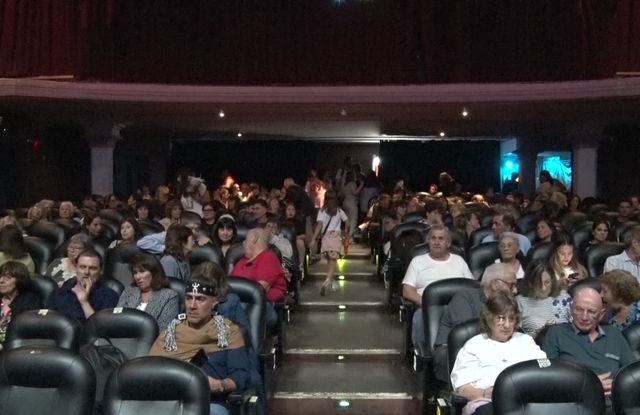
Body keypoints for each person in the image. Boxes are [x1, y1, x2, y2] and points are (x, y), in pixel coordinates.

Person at [148, 273, 251, 415]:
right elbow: (151, 372)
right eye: (188, 298)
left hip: (210, 402)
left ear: (214, 302)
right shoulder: (170, 334)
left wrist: (220, 385)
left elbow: (240, 375)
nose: (192, 306)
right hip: (169, 402)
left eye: (200, 299)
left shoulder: (228, 332)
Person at [451, 292, 547, 415]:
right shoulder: (474, 346)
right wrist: (484, 393)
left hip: (527, 400)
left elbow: (544, 367)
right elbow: (462, 387)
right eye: (501, 318)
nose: (507, 325)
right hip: (488, 402)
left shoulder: (526, 341)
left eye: (511, 319)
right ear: (489, 318)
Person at [431, 263, 518, 383]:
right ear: (495, 284)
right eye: (511, 285)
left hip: (492, 349)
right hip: (453, 350)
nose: (515, 290)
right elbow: (465, 335)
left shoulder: (508, 304)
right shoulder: (465, 297)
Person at [542, 287, 635, 398]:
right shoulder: (556, 333)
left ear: (601, 314)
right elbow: (547, 375)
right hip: (576, 399)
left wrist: (618, 386)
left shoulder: (613, 334)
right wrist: (589, 384)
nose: (584, 317)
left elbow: (633, 373)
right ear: (571, 309)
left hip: (615, 399)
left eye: (591, 311)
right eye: (579, 309)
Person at [402, 225, 473, 345]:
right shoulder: (417, 261)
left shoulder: (459, 261)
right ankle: (422, 353)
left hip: (456, 307)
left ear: (448, 243)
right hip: (428, 307)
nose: (436, 242)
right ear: (428, 241)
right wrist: (426, 303)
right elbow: (407, 290)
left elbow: (471, 286)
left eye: (441, 238)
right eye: (433, 238)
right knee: (419, 317)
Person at [231, 228, 287, 327]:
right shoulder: (241, 261)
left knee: (230, 307)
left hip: (261, 305)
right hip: (239, 302)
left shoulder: (268, 258)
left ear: (254, 238)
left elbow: (259, 290)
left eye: (246, 239)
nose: (243, 242)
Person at [48, 249, 119, 321]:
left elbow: (100, 326)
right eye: (82, 267)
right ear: (75, 268)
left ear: (101, 271)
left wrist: (84, 302)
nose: (86, 272)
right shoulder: (59, 293)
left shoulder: (109, 296)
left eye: (92, 268)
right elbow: (48, 322)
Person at [117, 254, 179, 330]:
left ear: (154, 272)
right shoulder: (129, 291)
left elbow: (164, 330)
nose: (137, 277)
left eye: (142, 271)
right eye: (135, 272)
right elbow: (117, 318)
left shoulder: (169, 296)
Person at [516, 261, 571, 338]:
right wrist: (540, 333)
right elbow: (516, 336)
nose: (543, 288)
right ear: (530, 283)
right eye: (538, 283)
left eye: (547, 282)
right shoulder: (520, 301)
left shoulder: (564, 298)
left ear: (552, 281)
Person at [309, 192, 349, 296]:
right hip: (335, 237)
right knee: (333, 260)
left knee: (330, 260)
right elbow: (347, 221)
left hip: (326, 237)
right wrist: (345, 233)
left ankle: (331, 280)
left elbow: (319, 225)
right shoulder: (339, 210)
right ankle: (328, 280)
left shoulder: (322, 211)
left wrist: (313, 239)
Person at [0, 261, 42, 349]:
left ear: (19, 281)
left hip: (12, 346)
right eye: (0, 276)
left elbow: (24, 331)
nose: (1, 281)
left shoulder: (29, 301)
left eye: (8, 278)